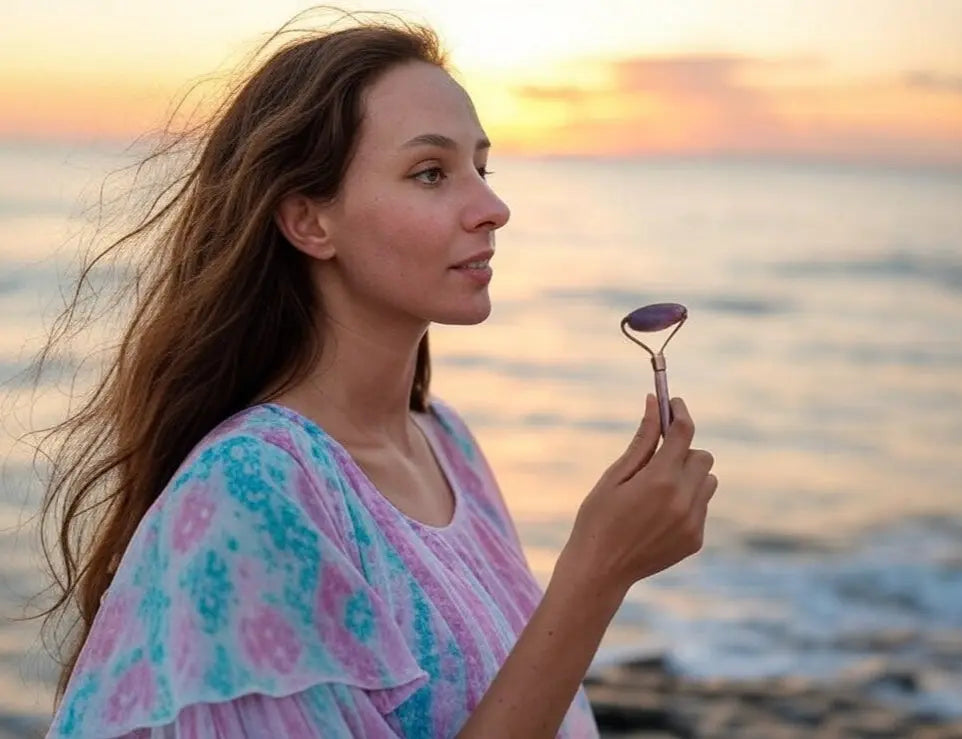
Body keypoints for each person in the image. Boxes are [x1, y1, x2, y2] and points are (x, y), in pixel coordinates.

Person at [36, 9, 717, 738]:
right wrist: (595, 573)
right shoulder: (250, 491)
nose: (493, 207)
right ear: (309, 222)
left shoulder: (445, 443)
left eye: (480, 168)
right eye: (431, 173)